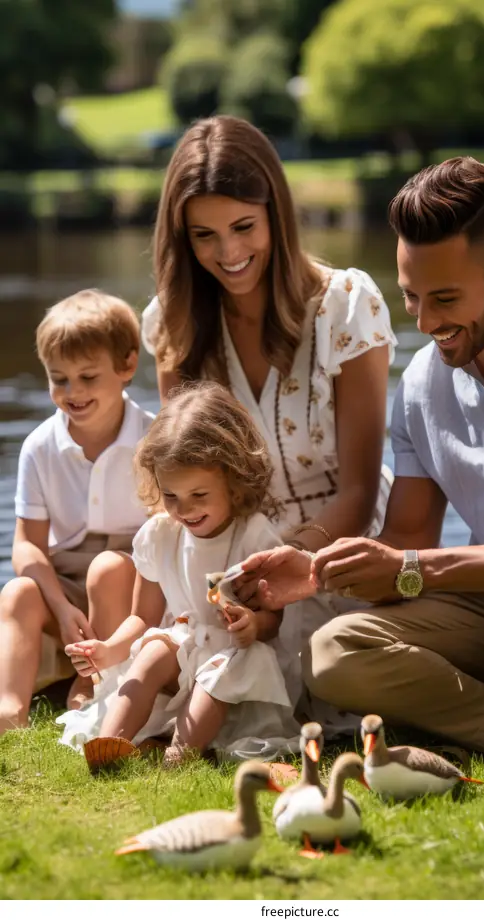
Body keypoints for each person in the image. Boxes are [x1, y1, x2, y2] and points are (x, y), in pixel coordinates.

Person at [238, 156, 484, 775]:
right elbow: (409, 537)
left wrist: (412, 569)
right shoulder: (423, 384)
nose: (427, 323)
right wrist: (318, 573)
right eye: (411, 297)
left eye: (445, 298)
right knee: (334, 652)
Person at [141, 114, 397, 733]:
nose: (228, 253)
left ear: (275, 215)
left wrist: (289, 557)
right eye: (204, 235)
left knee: (320, 678)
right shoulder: (172, 321)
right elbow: (178, 475)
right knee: (171, 662)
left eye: (243, 227)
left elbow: (360, 492)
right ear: (182, 239)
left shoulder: (346, 305)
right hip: (227, 555)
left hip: (332, 549)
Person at [57, 383, 300, 767]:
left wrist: (252, 624)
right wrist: (108, 650)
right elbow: (142, 618)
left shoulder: (253, 536)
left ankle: (179, 756)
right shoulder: (160, 535)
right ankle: (108, 746)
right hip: (185, 642)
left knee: (216, 677)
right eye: (171, 496)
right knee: (153, 651)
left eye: (199, 496)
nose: (184, 510)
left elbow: (274, 620)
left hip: (236, 654)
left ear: (234, 481)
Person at [0, 290, 154, 736]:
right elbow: (27, 546)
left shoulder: (153, 441)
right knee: (17, 593)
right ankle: (10, 709)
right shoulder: (40, 446)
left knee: (107, 570)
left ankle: (91, 686)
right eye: (59, 379)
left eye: (88, 376)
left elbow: (165, 538)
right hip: (66, 584)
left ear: (127, 365)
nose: (73, 392)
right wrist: (61, 607)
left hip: (130, 584)